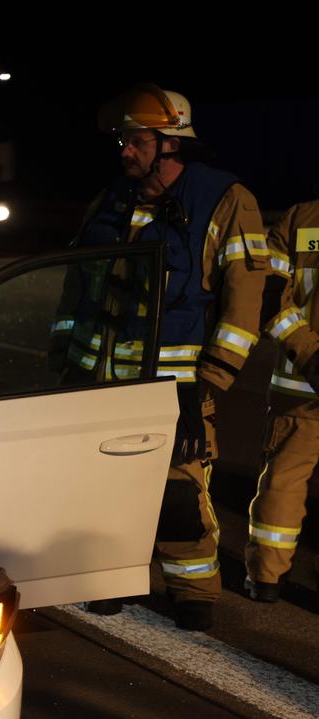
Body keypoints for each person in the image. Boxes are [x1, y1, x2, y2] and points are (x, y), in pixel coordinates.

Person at [56, 84, 271, 630]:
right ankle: (106, 577)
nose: (125, 151)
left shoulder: (226, 200)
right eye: (123, 141)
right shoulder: (111, 199)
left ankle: (193, 590)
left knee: (178, 494)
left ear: (171, 143)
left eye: (136, 141)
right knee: (99, 489)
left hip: (172, 386)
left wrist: (207, 384)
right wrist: (61, 355)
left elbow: (244, 303)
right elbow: (75, 284)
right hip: (97, 380)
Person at [245, 199, 319, 601]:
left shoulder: (300, 218)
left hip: (300, 384)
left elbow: (268, 293)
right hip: (301, 383)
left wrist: (307, 351)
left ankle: (267, 579)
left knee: (284, 482)